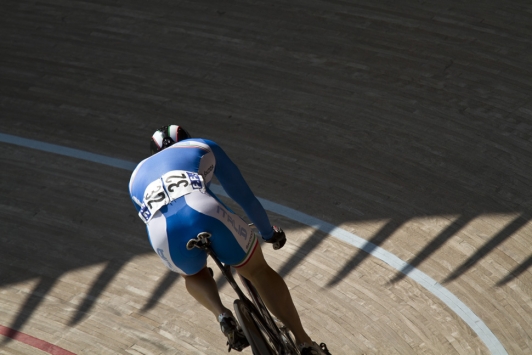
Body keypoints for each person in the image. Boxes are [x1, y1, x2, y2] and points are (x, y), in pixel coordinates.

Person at [128, 125, 331, 355]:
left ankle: (222, 315)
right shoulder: (202, 146)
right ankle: (305, 343)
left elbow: (163, 213)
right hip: (203, 210)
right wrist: (267, 232)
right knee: (257, 270)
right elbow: (244, 196)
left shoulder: (135, 176)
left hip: (162, 235)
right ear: (186, 139)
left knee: (192, 274)